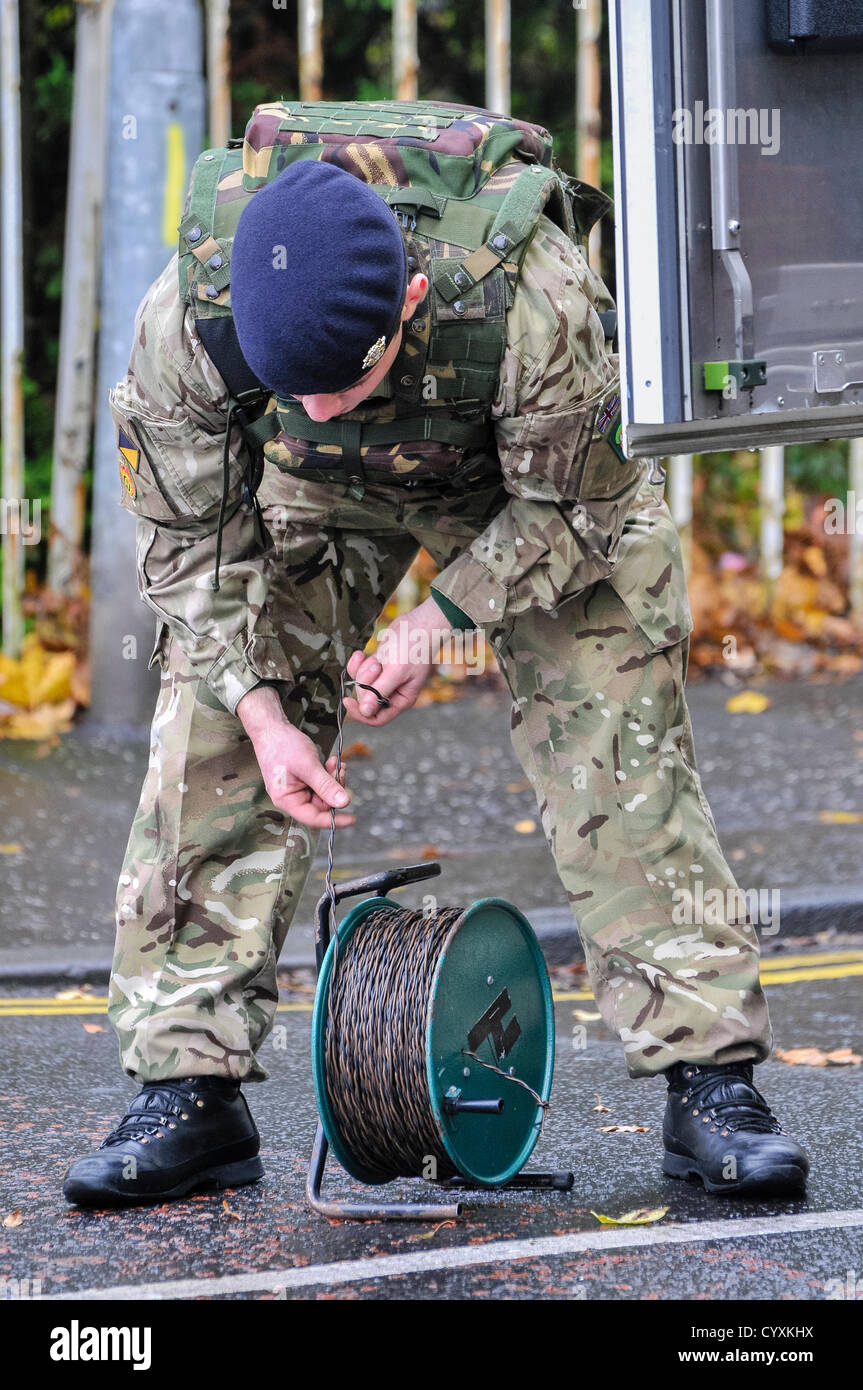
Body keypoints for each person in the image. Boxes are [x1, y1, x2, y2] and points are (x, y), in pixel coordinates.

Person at [62, 104, 808, 1207]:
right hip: (314, 489)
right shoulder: (191, 319)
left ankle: (708, 1077)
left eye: (340, 381)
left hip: (525, 487)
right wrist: (264, 712)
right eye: (290, 389)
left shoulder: (533, 298)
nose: (312, 405)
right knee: (210, 725)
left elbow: (580, 510)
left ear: (409, 304)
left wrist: (438, 619)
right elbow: (189, 549)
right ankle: (189, 1084)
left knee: (617, 737)